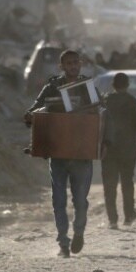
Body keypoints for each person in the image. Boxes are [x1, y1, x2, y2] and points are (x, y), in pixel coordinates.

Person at [23, 50, 98, 258]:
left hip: (81, 154)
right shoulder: (52, 87)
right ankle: (63, 242)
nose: (73, 66)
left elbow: (100, 115)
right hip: (58, 153)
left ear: (80, 64)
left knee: (80, 200)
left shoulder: (87, 87)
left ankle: (79, 232)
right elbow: (36, 109)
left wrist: (104, 142)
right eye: (69, 63)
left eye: (76, 62)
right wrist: (30, 116)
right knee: (58, 201)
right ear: (61, 66)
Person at [101, 72, 136, 229]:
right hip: (128, 150)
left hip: (109, 150)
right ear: (127, 85)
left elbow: (97, 125)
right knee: (127, 183)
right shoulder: (133, 102)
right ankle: (128, 216)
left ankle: (112, 220)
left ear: (113, 85)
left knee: (109, 185)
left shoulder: (105, 101)